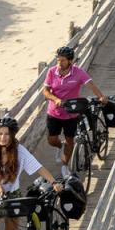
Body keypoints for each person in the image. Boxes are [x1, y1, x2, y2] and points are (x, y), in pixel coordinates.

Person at [43, 46, 107, 175]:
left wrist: (101, 96)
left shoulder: (78, 72)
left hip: (71, 113)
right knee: (51, 140)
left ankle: (65, 165)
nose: (59, 63)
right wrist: (55, 99)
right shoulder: (51, 71)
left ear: (70, 61)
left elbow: (91, 85)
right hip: (54, 112)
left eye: (63, 61)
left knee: (70, 141)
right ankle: (60, 146)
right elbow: (45, 91)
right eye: (58, 60)